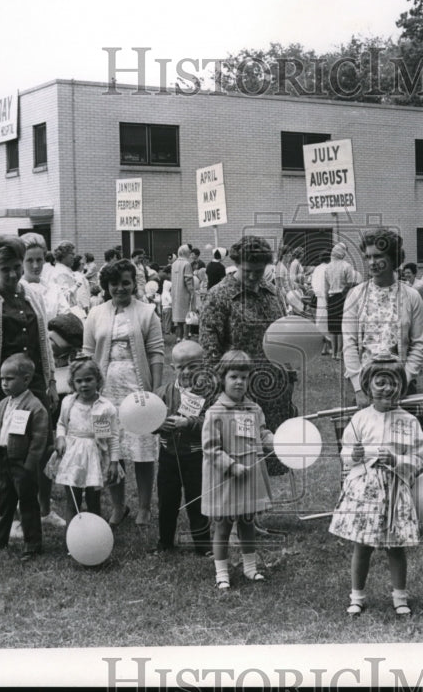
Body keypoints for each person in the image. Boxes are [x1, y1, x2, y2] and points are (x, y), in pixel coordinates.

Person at [329, 357, 423, 617]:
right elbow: (346, 453)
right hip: (366, 490)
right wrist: (355, 455)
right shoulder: (360, 419)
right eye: (380, 382)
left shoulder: (409, 421)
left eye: (392, 382)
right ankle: (357, 596)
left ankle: (399, 596)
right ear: (368, 386)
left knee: (396, 546)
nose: (386, 388)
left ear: (401, 387)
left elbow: (418, 458)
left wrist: (398, 460)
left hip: (395, 488)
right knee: (363, 545)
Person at [199, 235, 295, 477]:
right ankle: (237, 509)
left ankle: (259, 503)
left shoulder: (271, 292)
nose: (253, 276)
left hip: (273, 386)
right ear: (236, 264)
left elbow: (283, 333)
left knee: (269, 447)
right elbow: (210, 349)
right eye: (247, 270)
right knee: (240, 451)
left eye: (259, 270)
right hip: (238, 387)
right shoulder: (219, 295)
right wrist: (221, 388)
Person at [83, 258, 164, 525]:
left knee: (141, 448)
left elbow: (156, 352)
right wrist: (88, 389)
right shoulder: (96, 313)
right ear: (106, 285)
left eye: (126, 283)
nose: (120, 288)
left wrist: (154, 391)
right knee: (108, 446)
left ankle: (143, 507)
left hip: (137, 388)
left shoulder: (147, 312)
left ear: (134, 284)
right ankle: (118, 506)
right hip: (104, 391)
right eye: (114, 283)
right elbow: (87, 352)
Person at [201, 350, 275, 589]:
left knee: (247, 523)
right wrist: (230, 466)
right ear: (222, 378)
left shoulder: (253, 408)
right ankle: (221, 572)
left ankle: (250, 567)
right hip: (225, 478)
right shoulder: (215, 412)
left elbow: (261, 432)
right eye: (234, 376)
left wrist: (275, 440)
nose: (239, 382)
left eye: (244, 377)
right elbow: (210, 448)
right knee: (223, 526)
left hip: (249, 476)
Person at [0, 235, 57, 421]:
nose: (12, 275)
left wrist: (52, 382)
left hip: (36, 383)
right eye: (5, 269)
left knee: (40, 439)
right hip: (3, 388)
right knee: (10, 443)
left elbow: (44, 344)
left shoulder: (33, 295)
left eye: (17, 267)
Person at [342, 228, 423, 412]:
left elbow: (419, 344)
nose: (372, 262)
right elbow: (349, 343)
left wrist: (403, 381)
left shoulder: (412, 296)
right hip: (366, 387)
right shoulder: (355, 295)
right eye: (368, 257)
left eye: (378, 256)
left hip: (402, 387)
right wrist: (358, 387)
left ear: (393, 258)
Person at [0, 354, 51, 560]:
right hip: (4, 459)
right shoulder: (3, 404)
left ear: (26, 379)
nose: (4, 383)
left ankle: (33, 545)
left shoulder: (35, 406)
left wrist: (30, 466)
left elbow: (39, 440)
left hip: (23, 463)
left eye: (9, 379)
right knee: (5, 502)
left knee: (28, 503)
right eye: (2, 379)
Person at [153, 340, 214, 555]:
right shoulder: (163, 392)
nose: (188, 371)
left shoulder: (210, 394)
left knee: (197, 501)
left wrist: (189, 423)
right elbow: (148, 420)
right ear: (173, 368)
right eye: (182, 367)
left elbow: (213, 421)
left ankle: (203, 545)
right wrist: (159, 425)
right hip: (168, 455)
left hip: (196, 456)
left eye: (194, 365)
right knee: (167, 500)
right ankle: (165, 542)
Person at [53, 358, 122, 519]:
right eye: (79, 381)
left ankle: (95, 536)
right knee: (73, 501)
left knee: (93, 500)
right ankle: (72, 537)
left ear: (98, 380)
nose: (84, 385)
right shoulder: (68, 402)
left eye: (88, 380)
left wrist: (114, 461)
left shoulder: (105, 407)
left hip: (94, 457)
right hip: (72, 455)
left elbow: (112, 437)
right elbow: (61, 423)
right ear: (72, 383)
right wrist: (61, 437)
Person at [20, 232, 70, 322]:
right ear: (21, 261)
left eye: (39, 260)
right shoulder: (16, 290)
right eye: (29, 260)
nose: (35, 266)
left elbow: (65, 318)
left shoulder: (54, 289)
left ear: (44, 259)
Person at [323, 243, 358, 360]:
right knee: (342, 326)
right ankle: (339, 352)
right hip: (343, 297)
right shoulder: (347, 266)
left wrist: (327, 301)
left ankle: (333, 352)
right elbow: (350, 284)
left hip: (331, 297)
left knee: (333, 328)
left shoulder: (327, 267)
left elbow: (326, 287)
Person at [49, 240, 91, 318]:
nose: (74, 257)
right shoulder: (60, 273)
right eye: (72, 253)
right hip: (67, 313)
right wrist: (77, 285)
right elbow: (65, 297)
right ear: (63, 255)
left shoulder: (65, 271)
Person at [171, 244, 195, 340]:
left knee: (177, 317)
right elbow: (188, 280)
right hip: (184, 293)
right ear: (186, 253)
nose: (190, 253)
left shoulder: (174, 264)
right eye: (189, 252)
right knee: (186, 317)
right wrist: (192, 291)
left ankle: (178, 337)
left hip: (175, 293)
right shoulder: (187, 264)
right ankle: (185, 337)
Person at [310, 256, 333, 354]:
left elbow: (313, 283)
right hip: (327, 296)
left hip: (319, 298)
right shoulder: (329, 268)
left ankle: (323, 347)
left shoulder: (317, 269)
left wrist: (317, 293)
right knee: (328, 321)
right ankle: (329, 346)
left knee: (320, 321)